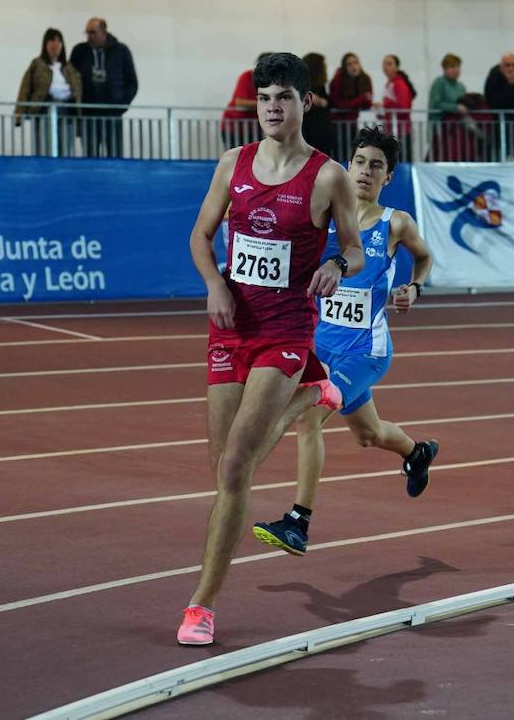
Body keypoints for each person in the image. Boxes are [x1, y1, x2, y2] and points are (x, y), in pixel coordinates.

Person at [178, 52, 365, 647]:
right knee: (225, 472)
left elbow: (356, 250)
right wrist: (213, 284)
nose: (271, 108)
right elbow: (201, 236)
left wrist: (336, 261)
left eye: (282, 96)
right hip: (230, 326)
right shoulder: (233, 164)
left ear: (305, 102)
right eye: (263, 97)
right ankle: (316, 393)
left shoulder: (328, 175)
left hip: (285, 332)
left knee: (236, 466)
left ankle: (201, 607)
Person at [251, 126, 438, 556]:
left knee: (309, 417)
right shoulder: (326, 217)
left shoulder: (395, 224)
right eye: (359, 162)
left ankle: (298, 522)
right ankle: (417, 452)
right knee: (368, 434)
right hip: (320, 346)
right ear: (347, 165)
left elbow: (425, 256)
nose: (365, 172)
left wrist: (415, 287)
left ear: (388, 177)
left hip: (364, 352)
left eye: (377, 166)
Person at [68, 17, 138, 158]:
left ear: (103, 32)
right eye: (87, 33)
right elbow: (70, 78)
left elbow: (132, 82)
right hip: (88, 115)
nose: (89, 36)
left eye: (93, 32)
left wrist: (121, 105)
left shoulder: (121, 51)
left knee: (115, 157)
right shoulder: (79, 51)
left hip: (112, 115)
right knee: (89, 158)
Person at [13, 28, 82, 156]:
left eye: (59, 41)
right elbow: (25, 88)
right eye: (52, 41)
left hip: (67, 114)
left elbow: (77, 90)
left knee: (65, 151)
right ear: (45, 44)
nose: (55, 44)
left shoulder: (69, 68)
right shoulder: (37, 64)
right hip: (44, 112)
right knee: (45, 149)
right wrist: (19, 113)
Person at [483, 52, 514, 161]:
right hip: (497, 121)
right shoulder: (494, 75)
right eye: (507, 65)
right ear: (501, 65)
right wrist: (510, 85)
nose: (511, 68)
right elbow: (492, 100)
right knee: (498, 149)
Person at [428, 53, 475, 161]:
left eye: (458, 66)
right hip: (442, 128)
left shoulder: (461, 86)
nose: (456, 70)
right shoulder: (439, 83)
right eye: (452, 67)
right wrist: (456, 108)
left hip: (458, 129)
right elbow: (435, 104)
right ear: (444, 69)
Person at [328, 52, 373, 160]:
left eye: (356, 63)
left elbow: (366, 105)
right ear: (344, 67)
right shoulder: (338, 80)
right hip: (337, 125)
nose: (354, 66)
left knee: (352, 155)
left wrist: (365, 99)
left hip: (351, 124)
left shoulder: (364, 78)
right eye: (349, 64)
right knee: (339, 156)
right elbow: (340, 104)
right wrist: (361, 99)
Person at [221, 54, 270, 149]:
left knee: (255, 158)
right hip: (235, 127)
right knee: (236, 159)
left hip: (255, 127)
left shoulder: (274, 81)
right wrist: (266, 103)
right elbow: (240, 103)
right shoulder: (247, 76)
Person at [376, 54, 416, 160]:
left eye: (389, 64)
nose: (386, 67)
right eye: (384, 63)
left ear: (396, 67)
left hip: (400, 131)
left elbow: (404, 107)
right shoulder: (389, 83)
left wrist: (385, 106)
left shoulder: (398, 84)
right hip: (393, 131)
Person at [301, 52, 337, 157]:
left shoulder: (316, 86)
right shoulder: (309, 87)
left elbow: (327, 102)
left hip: (316, 129)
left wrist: (323, 102)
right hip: (314, 129)